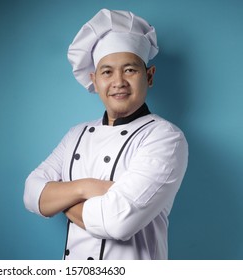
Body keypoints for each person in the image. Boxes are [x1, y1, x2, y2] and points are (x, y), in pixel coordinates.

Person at [23, 8, 188, 260]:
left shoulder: (165, 137)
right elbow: (32, 194)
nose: (118, 81)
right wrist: (86, 188)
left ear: (150, 76)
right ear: (95, 79)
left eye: (130, 70)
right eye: (107, 71)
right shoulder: (76, 134)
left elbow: (117, 222)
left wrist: (61, 198)